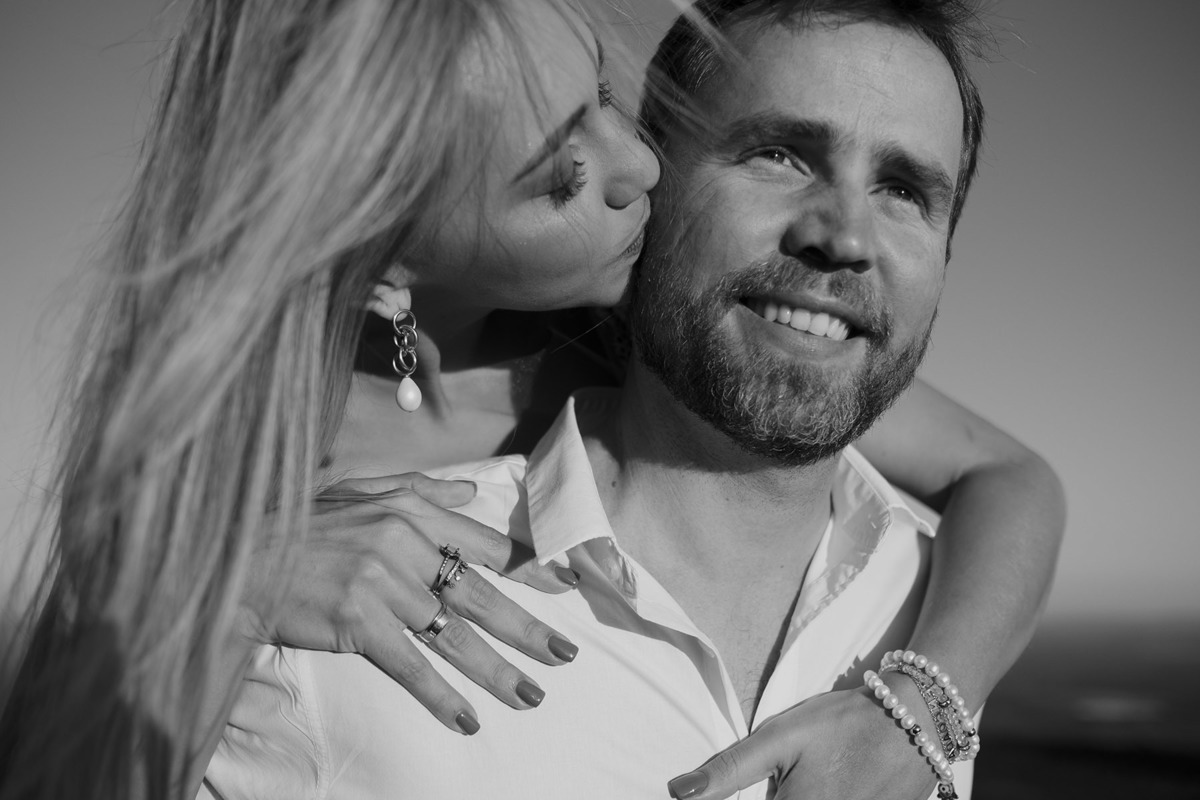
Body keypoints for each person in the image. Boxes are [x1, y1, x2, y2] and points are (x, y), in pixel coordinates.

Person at [0, 0, 1062, 798]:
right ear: (384, 261)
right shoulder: (226, 476)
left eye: (605, 96)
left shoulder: (622, 316)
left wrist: (921, 705)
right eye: (559, 175)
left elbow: (1010, 475)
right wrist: (219, 583)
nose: (642, 163)